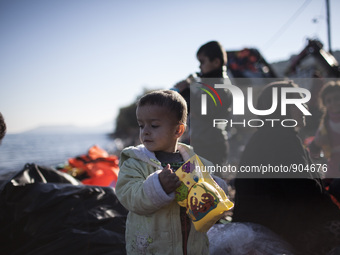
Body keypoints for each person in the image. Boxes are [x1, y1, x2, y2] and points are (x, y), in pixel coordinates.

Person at [232, 81, 340, 255]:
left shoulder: (272, 134)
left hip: (265, 224)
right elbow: (302, 191)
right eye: (299, 103)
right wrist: (334, 212)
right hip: (272, 230)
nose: (305, 107)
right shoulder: (280, 137)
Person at [115, 90, 228, 255]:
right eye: (141, 125)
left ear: (178, 131)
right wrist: (158, 186)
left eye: (154, 125)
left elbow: (214, 185)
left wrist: (217, 187)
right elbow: (129, 196)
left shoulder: (195, 162)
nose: (145, 131)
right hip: (152, 248)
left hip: (193, 247)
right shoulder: (135, 162)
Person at [173, 41, 232, 167]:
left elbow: (204, 111)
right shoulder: (207, 83)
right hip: (202, 143)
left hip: (212, 145)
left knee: (210, 184)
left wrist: (187, 91)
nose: (199, 67)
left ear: (216, 62)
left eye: (202, 62)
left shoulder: (221, 85)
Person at [309, 81, 340, 181]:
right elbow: (313, 155)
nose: (333, 103)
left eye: (336, 98)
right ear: (325, 104)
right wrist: (316, 143)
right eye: (329, 101)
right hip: (334, 173)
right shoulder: (325, 128)